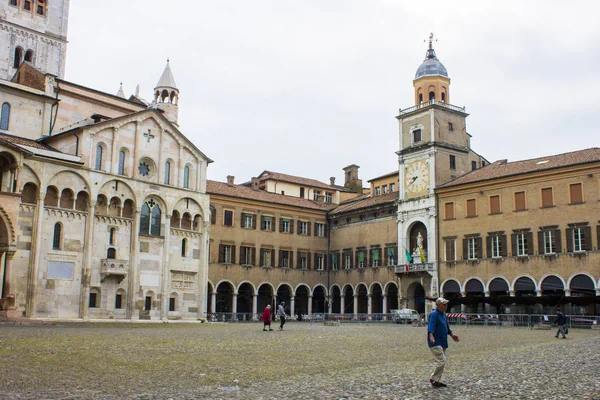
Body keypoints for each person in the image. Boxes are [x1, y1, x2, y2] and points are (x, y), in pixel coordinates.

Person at [427, 297, 459, 388]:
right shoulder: (434, 314)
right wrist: (431, 336)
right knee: (442, 360)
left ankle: (436, 379)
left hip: (442, 341)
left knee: (441, 360)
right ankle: (434, 378)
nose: (446, 306)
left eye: (446, 304)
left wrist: (452, 335)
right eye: (444, 304)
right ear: (438, 305)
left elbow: (446, 327)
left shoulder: (443, 314)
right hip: (435, 342)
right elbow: (431, 326)